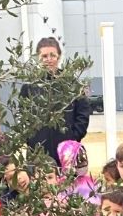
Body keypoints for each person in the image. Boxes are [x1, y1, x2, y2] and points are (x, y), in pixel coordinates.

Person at [19, 36, 90, 164]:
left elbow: (83, 114)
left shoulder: (72, 84)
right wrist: (31, 140)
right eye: (44, 56)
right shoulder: (29, 87)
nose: (49, 59)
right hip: (38, 152)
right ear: (38, 58)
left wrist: (73, 138)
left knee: (68, 183)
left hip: (67, 151)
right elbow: (22, 117)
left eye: (53, 55)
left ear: (59, 56)